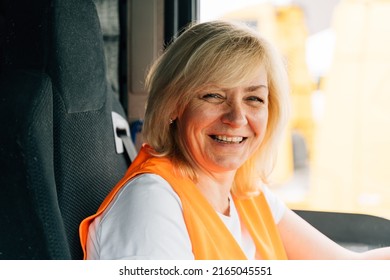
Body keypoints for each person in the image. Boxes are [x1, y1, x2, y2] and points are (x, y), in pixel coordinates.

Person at [79, 20, 390, 260]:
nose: (237, 117)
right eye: (214, 95)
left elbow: (346, 267)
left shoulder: (246, 193)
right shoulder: (151, 205)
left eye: (254, 99)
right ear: (174, 105)